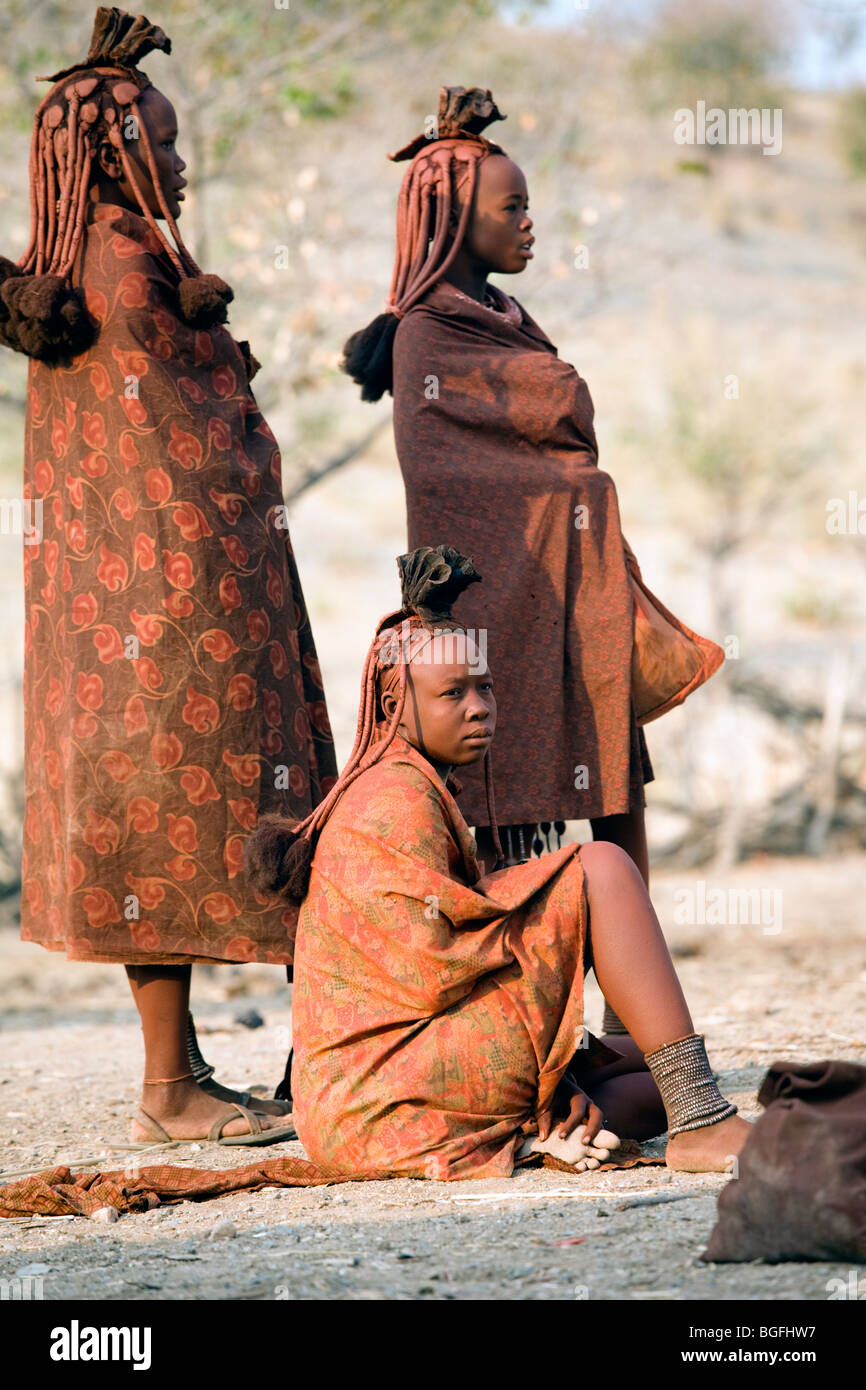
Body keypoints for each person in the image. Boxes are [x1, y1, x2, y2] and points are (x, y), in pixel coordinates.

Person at [1, 8, 337, 1144]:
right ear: (113, 152)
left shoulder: (69, 265)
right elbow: (203, 441)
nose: (182, 162)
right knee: (219, 814)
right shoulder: (131, 264)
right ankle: (188, 1087)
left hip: (117, 613)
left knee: (155, 822)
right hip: (183, 603)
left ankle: (180, 1079)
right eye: (165, 139)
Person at [341, 86, 723, 1037]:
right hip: (496, 599)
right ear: (452, 217)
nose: (529, 223)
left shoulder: (502, 312)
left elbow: (552, 430)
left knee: (609, 778)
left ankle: (635, 1025)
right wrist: (573, 484)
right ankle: (525, 1016)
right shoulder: (430, 331)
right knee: (503, 795)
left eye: (526, 205)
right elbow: (447, 474)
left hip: (567, 590)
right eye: (511, 208)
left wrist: (573, 484)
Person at [246, 546, 751, 1179]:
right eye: (451, 693)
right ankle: (703, 1125)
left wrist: (565, 1067)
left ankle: (657, 1110)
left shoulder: (413, 780)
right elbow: (435, 967)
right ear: (394, 702)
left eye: (485, 687)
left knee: (648, 1078)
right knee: (602, 869)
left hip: (379, 1098)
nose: (479, 707)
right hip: (379, 1100)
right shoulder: (393, 799)